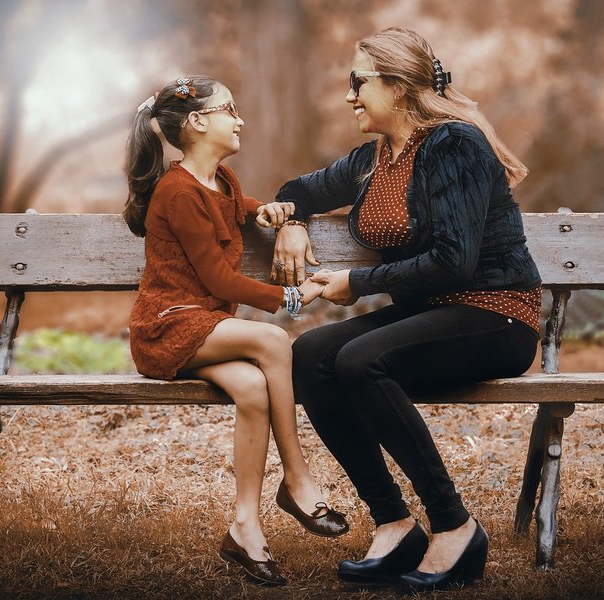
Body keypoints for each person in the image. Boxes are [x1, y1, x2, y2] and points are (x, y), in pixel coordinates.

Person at [270, 28, 542, 591]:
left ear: (395, 87)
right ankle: (394, 522)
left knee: (362, 359)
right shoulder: (374, 159)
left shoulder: (454, 145)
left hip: (496, 312)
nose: (349, 95)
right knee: (313, 353)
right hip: (434, 314)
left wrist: (357, 281)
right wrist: (293, 223)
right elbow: (299, 186)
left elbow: (455, 262)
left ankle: (454, 525)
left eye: (357, 81)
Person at [123, 76, 348, 587]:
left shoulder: (222, 180)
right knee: (271, 339)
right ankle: (297, 478)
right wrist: (297, 296)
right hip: (167, 327)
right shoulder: (176, 191)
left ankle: (244, 527)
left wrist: (277, 214)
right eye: (229, 109)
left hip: (205, 325)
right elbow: (220, 280)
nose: (239, 118)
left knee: (251, 388)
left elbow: (241, 210)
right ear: (198, 123)